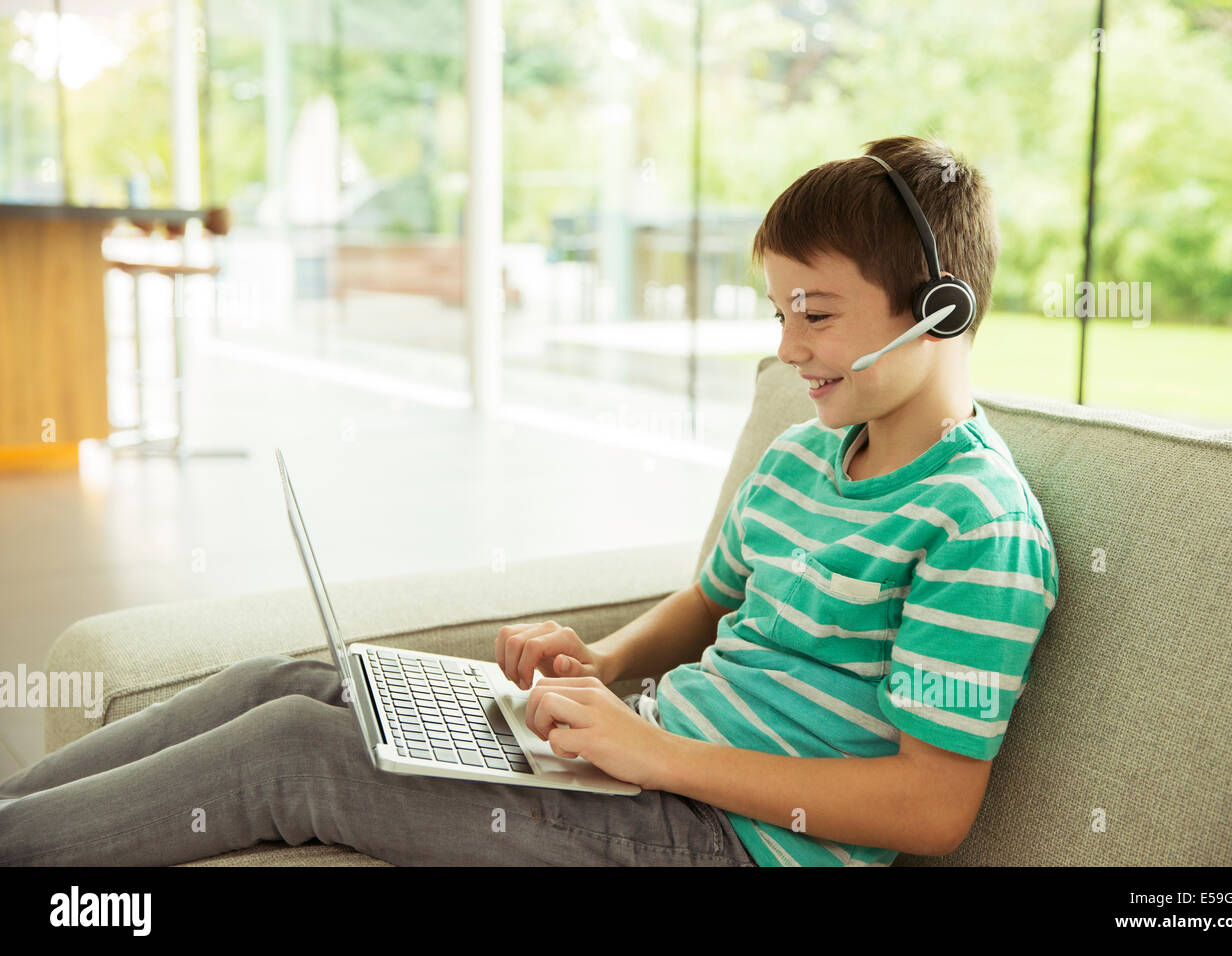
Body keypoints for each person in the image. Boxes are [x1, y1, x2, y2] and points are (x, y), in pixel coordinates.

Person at [0, 134, 1057, 866]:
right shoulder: (797, 460)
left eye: (816, 316)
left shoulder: (977, 524)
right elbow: (708, 599)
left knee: (294, 752)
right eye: (779, 311)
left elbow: (934, 807)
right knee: (296, 681)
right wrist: (606, 666)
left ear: (939, 311)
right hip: (643, 775)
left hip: (724, 841)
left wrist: (657, 754)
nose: (786, 348)